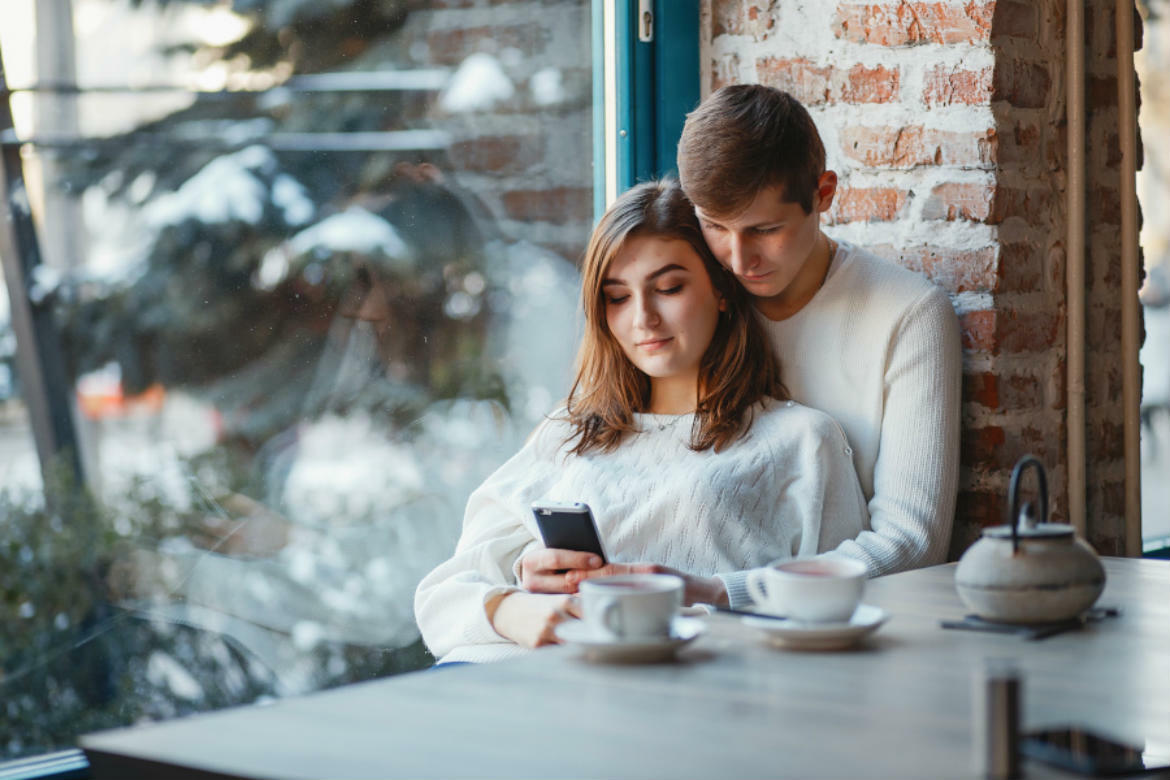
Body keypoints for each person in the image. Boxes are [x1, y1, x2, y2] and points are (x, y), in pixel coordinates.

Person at [414, 179, 867, 663]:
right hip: (526, 677)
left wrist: (710, 594)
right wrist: (514, 607)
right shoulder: (568, 433)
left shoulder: (800, 440)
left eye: (669, 287)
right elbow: (442, 596)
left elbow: (844, 610)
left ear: (721, 290)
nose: (643, 318)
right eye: (617, 297)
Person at [672, 84, 962, 577]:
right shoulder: (688, 299)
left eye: (764, 230)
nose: (739, 261)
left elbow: (913, 541)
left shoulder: (909, 315)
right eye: (715, 226)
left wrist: (727, 593)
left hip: (838, 620)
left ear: (823, 194)